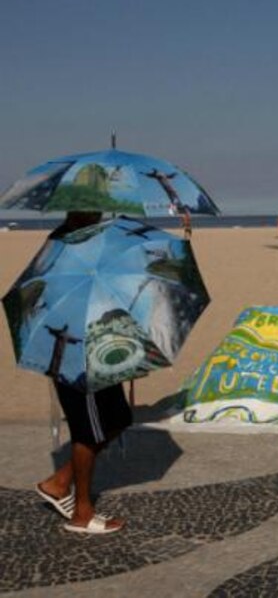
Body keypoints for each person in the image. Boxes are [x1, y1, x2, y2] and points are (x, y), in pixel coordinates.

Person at [34, 211, 131, 534]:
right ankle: (82, 513)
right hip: (76, 356)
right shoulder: (64, 244)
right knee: (87, 432)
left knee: (118, 418)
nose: (99, 212)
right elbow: (60, 298)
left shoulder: (90, 240)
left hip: (100, 345)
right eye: (92, 208)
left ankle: (59, 482)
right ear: (76, 211)